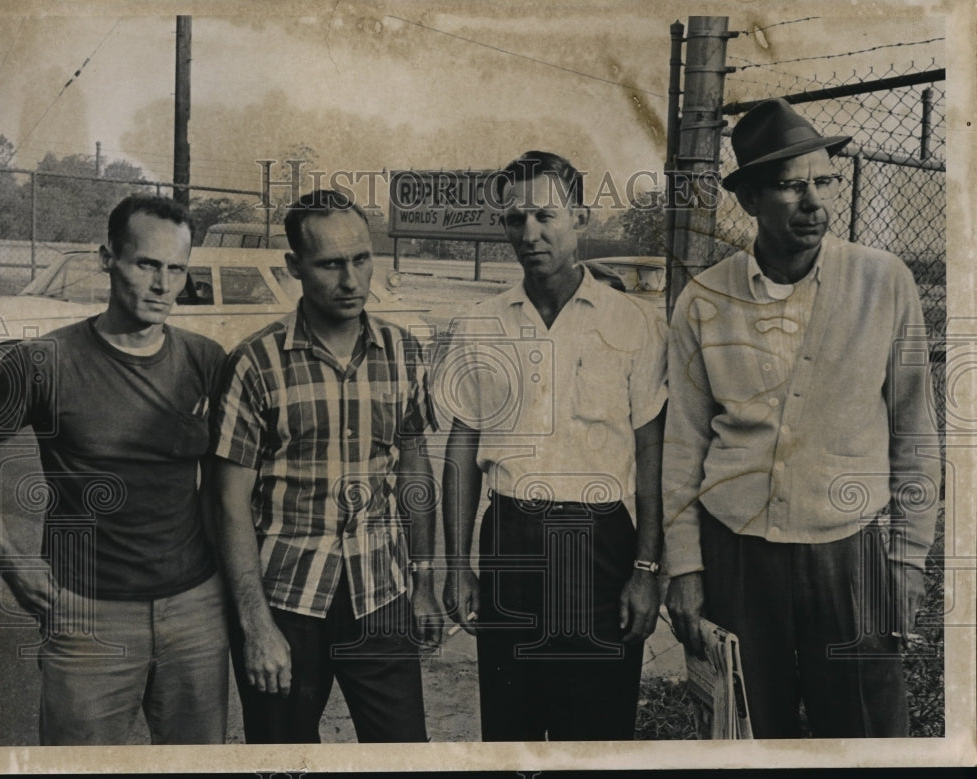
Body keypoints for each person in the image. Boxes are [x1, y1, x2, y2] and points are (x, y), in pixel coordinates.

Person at [662, 98, 940, 738]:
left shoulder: (884, 282)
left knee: (867, 732)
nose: (814, 202)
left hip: (850, 549)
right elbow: (682, 444)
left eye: (824, 181)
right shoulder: (704, 300)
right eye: (791, 186)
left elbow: (915, 431)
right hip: (737, 550)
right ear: (749, 199)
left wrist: (908, 558)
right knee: (748, 731)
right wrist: (686, 568)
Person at [436, 151, 668, 741]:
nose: (529, 233)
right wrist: (458, 566)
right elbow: (461, 449)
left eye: (546, 215)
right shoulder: (481, 325)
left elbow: (652, 455)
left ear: (580, 219)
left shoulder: (635, 323)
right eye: (515, 219)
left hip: (600, 544)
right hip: (511, 539)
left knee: (596, 735)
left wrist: (646, 569)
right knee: (511, 730)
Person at [0, 194, 229, 745]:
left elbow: (228, 487)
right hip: (86, 615)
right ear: (107, 259)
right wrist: (12, 563)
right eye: (146, 264)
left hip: (195, 611)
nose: (163, 285)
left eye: (177, 269)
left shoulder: (205, 360)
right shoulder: (42, 362)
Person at [213, 189, 441, 744]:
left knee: (404, 754)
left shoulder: (405, 353)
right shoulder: (255, 364)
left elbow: (414, 469)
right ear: (294, 266)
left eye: (362, 259)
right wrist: (256, 625)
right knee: (284, 757)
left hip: (381, 593)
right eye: (331, 264)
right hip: (286, 600)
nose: (351, 280)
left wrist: (424, 582)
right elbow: (228, 502)